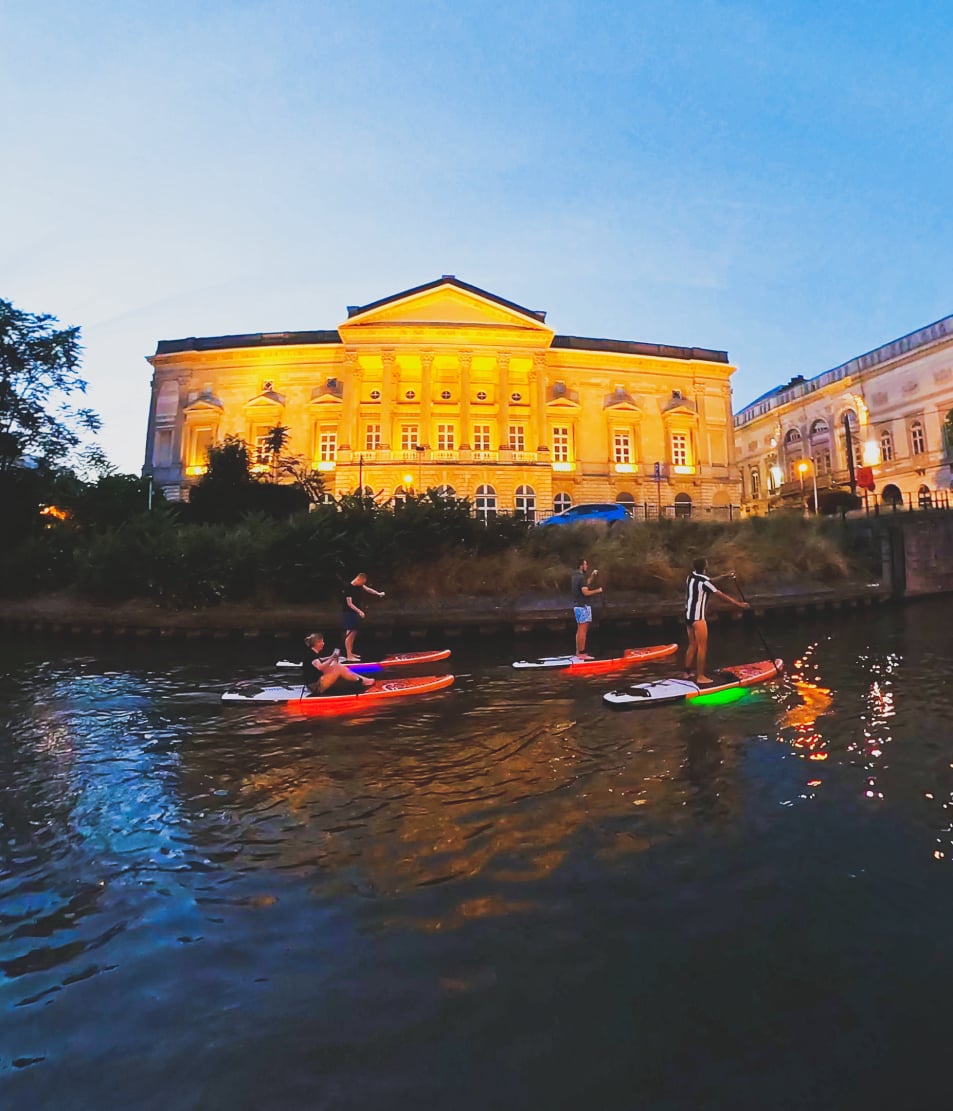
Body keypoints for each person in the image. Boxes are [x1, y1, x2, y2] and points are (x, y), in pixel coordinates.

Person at [684, 557, 750, 685]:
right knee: (702, 647)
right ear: (705, 567)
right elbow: (720, 595)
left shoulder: (690, 577)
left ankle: (686, 673)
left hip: (688, 616)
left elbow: (709, 581)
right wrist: (739, 605)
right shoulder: (705, 582)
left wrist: (724, 576)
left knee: (692, 644)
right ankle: (700, 677)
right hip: (698, 618)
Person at [301, 632, 375, 695]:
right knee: (338, 668)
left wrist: (332, 657)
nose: (323, 644)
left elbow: (320, 660)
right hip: (315, 686)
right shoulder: (311, 656)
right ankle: (362, 681)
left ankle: (364, 680)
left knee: (337, 665)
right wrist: (332, 657)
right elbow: (320, 667)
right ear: (316, 643)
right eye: (321, 642)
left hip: (316, 681)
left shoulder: (312, 653)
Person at [341, 572, 386, 661]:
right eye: (362, 583)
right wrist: (360, 611)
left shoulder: (359, 585)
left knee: (353, 633)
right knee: (349, 634)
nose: (363, 585)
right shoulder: (348, 588)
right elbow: (349, 604)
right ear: (358, 579)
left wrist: (378, 593)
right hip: (348, 612)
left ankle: (351, 652)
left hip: (354, 613)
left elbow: (368, 589)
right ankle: (349, 656)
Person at [571, 557, 603, 659]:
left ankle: (578, 652)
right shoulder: (581, 577)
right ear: (581, 566)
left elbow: (585, 583)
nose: (587, 566)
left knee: (579, 630)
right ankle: (582, 654)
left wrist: (592, 576)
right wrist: (597, 590)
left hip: (577, 606)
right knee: (583, 630)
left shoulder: (575, 576)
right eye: (585, 564)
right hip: (583, 606)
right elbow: (585, 592)